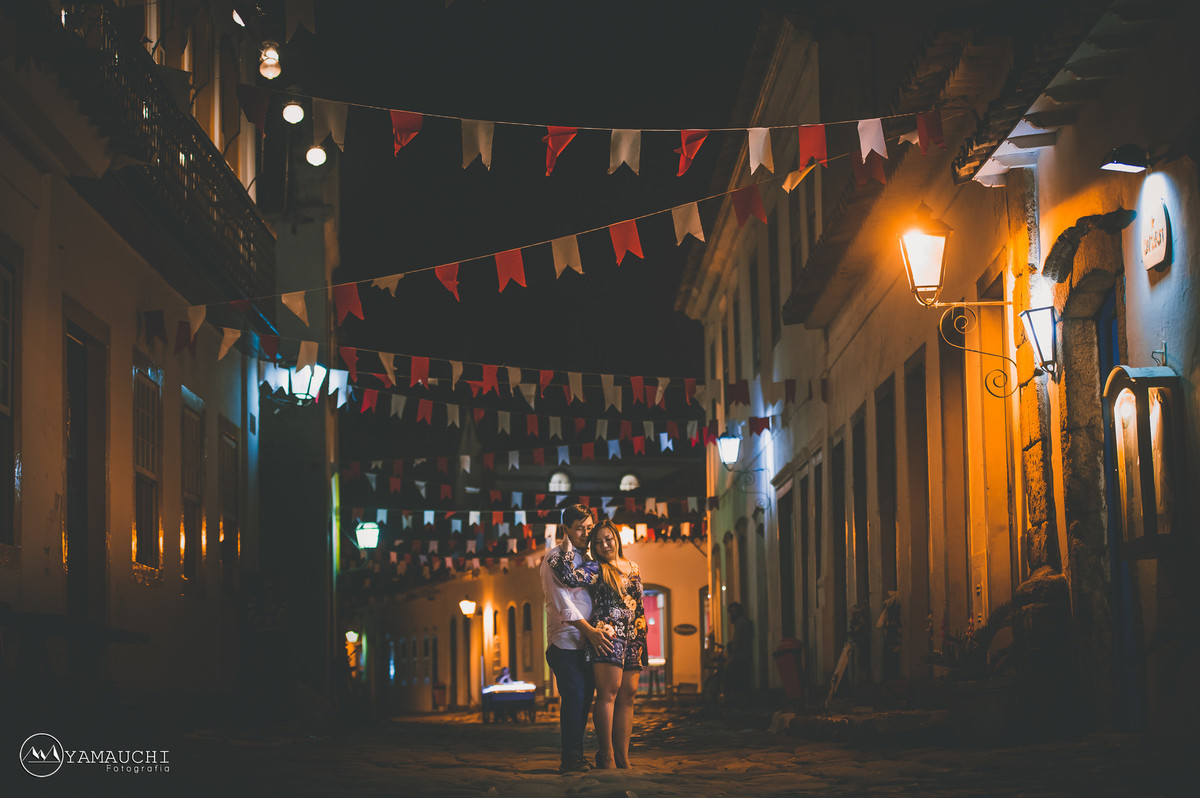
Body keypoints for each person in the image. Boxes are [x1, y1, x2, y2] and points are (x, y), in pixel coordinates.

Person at [550, 520, 646, 769]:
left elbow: (640, 606)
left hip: (632, 638)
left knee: (629, 696)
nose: (605, 545)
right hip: (607, 635)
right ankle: (607, 755)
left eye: (609, 539)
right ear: (594, 545)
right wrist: (566, 547)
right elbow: (569, 578)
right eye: (599, 541)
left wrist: (640, 638)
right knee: (608, 694)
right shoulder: (595, 568)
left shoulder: (633, 567)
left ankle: (623, 756)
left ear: (617, 538)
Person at [540, 505, 613, 775]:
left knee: (585, 700)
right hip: (565, 643)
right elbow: (563, 605)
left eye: (589, 527)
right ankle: (570, 757)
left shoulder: (591, 560)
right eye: (579, 528)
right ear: (566, 530)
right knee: (575, 695)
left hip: (590, 644)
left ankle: (577, 754)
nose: (585, 533)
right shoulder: (554, 560)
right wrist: (590, 632)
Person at [723, 601, 754, 706]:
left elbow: (737, 640)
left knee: (732, 679)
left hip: (740, 657)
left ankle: (734, 702)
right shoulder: (745, 622)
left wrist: (732, 654)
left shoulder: (740, 623)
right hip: (745, 657)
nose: (731, 614)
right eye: (730, 612)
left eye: (733, 611)